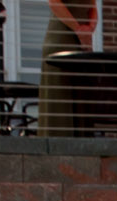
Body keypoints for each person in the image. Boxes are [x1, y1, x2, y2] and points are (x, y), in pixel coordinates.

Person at [37, 1, 98, 139]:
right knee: (60, 96)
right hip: (61, 40)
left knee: (81, 95)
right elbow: (54, 3)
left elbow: (92, 7)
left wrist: (89, 29)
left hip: (82, 42)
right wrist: (78, 29)